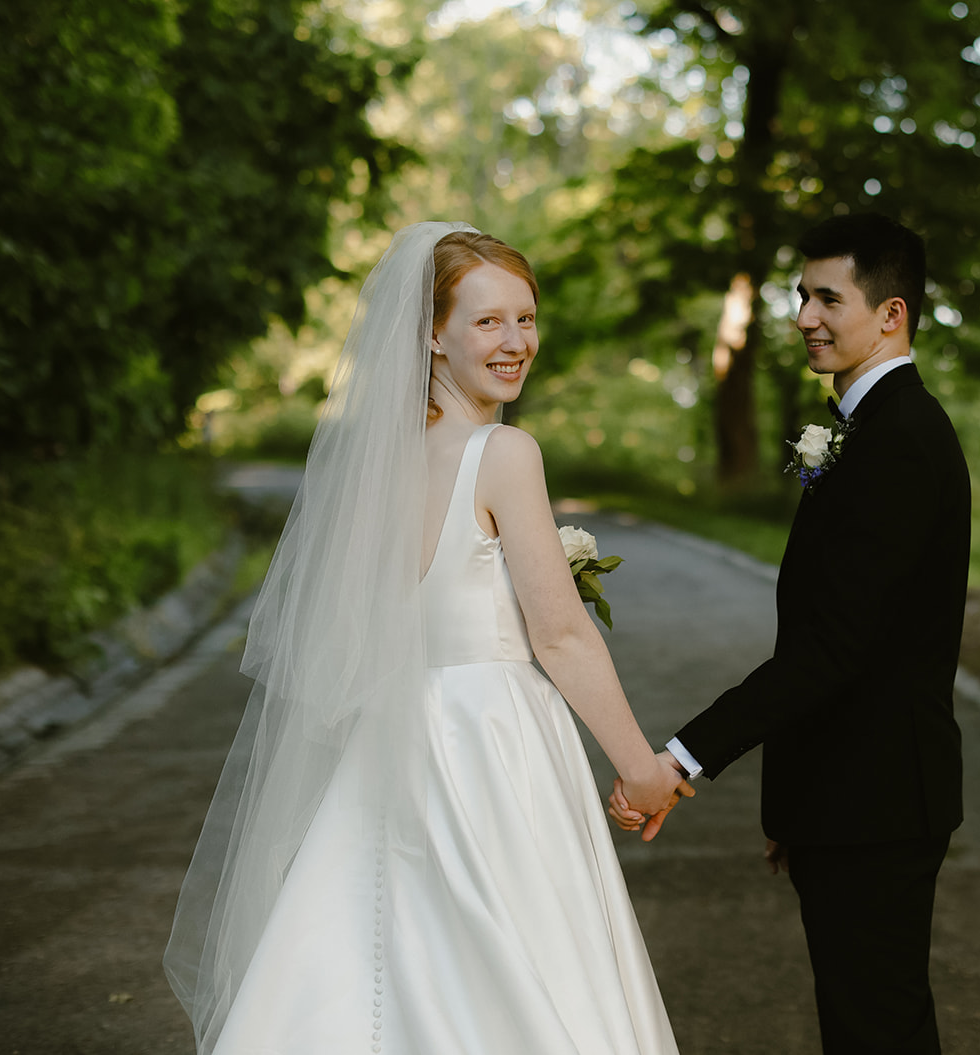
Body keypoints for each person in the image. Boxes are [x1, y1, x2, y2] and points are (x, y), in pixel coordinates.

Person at [164, 222, 691, 1055]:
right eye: (488, 321)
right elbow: (560, 636)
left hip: (390, 733)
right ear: (431, 333)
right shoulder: (504, 452)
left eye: (526, 317)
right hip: (491, 741)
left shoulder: (375, 462)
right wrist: (642, 769)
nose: (516, 342)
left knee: (378, 951)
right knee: (511, 968)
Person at [615, 213, 970, 1054]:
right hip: (849, 795)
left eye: (826, 297)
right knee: (865, 1023)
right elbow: (842, 634)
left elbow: (830, 648)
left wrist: (681, 757)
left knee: (877, 1028)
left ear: (892, 315)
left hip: (878, 799)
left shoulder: (899, 442)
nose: (805, 316)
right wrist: (799, 801)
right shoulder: (870, 430)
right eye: (800, 295)